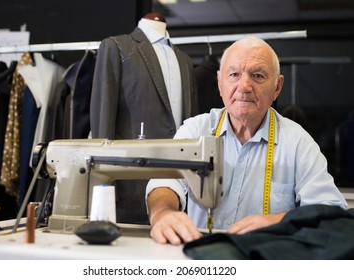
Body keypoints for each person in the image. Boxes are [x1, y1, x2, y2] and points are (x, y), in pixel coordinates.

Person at [145, 36, 348, 245]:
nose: (244, 86)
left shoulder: (298, 143)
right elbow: (165, 181)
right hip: (203, 256)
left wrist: (280, 221)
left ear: (277, 87)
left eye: (258, 75)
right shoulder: (196, 130)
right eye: (234, 74)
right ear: (220, 83)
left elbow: (331, 211)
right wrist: (163, 212)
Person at [90, 13, 198, 224]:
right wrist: (105, 189)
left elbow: (190, 124)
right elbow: (102, 124)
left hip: (179, 187)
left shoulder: (184, 60)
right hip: (130, 186)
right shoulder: (116, 47)